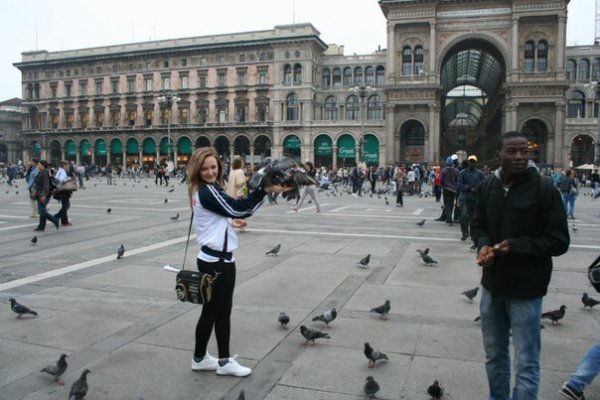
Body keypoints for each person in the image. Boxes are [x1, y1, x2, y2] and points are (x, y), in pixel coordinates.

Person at [471, 131, 570, 400]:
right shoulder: (488, 187)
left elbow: (559, 241)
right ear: (498, 155)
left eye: (524, 151)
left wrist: (515, 246)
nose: (519, 157)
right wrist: (483, 245)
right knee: (494, 355)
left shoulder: (544, 189)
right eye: (512, 151)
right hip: (492, 285)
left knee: (526, 361)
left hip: (527, 290)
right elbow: (478, 225)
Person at [187, 147, 288, 377]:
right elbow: (238, 208)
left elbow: (218, 217)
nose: (210, 172)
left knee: (212, 312)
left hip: (214, 258)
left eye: (213, 167)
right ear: (197, 170)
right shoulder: (207, 191)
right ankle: (223, 362)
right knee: (220, 313)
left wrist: (230, 223)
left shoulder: (206, 189)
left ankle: (200, 358)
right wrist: (264, 190)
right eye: (205, 168)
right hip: (217, 262)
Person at [457, 155, 484, 245]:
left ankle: (473, 234)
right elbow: (459, 184)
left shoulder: (480, 173)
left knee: (474, 217)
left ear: (475, 163)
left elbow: (484, 184)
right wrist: (469, 188)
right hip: (465, 197)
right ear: (468, 162)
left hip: (475, 198)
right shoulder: (463, 173)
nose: (472, 163)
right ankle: (465, 233)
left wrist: (478, 190)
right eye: (470, 161)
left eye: (473, 162)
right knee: (464, 215)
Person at [33, 160, 60, 231]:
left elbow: (46, 185)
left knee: (41, 211)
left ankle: (55, 220)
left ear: (42, 165)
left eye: (39, 165)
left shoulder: (45, 172)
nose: (38, 166)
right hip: (39, 194)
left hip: (44, 194)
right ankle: (41, 226)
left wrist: (43, 195)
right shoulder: (41, 172)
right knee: (42, 210)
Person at [53, 160, 73, 226]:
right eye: (67, 165)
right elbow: (61, 179)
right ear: (64, 166)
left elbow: (56, 178)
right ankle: (57, 216)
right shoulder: (62, 171)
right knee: (66, 205)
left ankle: (64, 221)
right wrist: (67, 179)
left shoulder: (59, 171)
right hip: (64, 190)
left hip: (61, 190)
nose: (68, 166)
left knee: (65, 205)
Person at [440, 156, 460, 225]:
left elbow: (441, 180)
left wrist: (442, 186)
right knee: (451, 205)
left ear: (446, 163)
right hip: (454, 190)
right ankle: (449, 219)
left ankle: (449, 220)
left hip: (446, 189)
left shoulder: (444, 171)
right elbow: (458, 180)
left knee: (446, 205)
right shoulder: (457, 171)